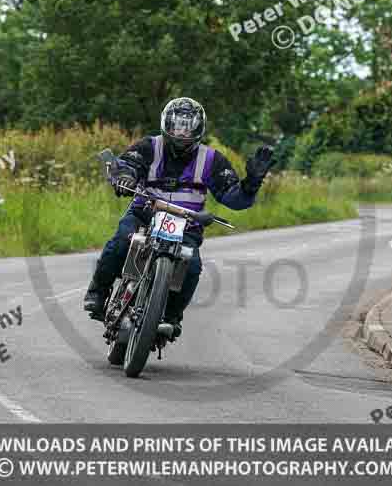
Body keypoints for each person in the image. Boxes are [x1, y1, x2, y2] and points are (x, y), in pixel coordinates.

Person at [83, 97, 275, 338]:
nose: (182, 132)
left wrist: (251, 184)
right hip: (144, 214)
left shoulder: (212, 159)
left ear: (198, 129)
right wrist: (125, 177)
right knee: (121, 240)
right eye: (177, 125)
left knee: (192, 266)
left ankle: (172, 316)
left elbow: (233, 198)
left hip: (187, 227)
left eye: (188, 126)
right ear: (166, 124)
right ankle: (97, 292)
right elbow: (127, 164)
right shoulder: (149, 146)